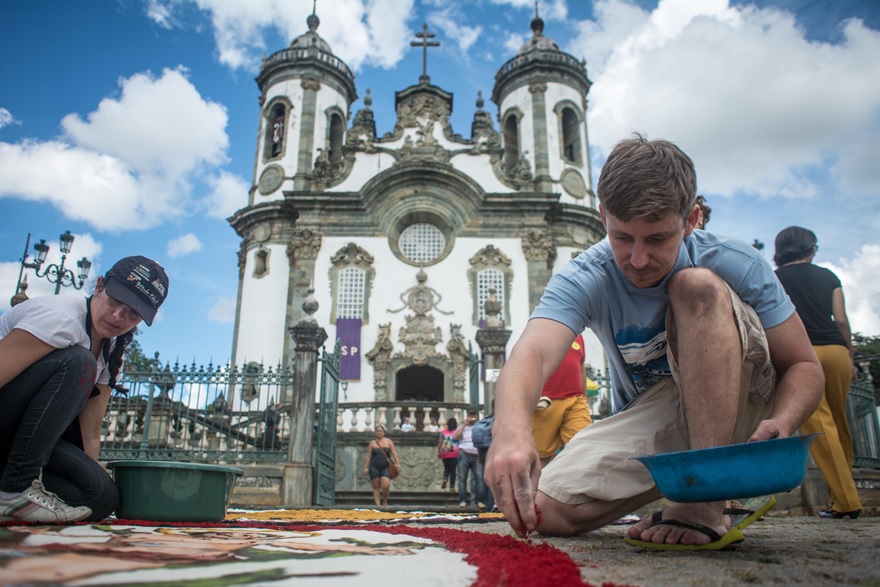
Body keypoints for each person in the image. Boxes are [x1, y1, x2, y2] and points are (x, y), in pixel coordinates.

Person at [484, 133, 823, 550]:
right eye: (622, 238)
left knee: (695, 286)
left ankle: (704, 499)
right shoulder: (585, 275)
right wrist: (510, 432)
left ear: (692, 219)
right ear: (602, 214)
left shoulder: (734, 260)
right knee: (545, 510)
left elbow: (804, 365)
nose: (638, 260)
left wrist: (784, 421)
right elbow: (532, 351)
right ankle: (693, 480)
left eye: (658, 239)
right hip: (666, 409)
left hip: (748, 399)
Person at [0, 256, 169, 523]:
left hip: (24, 441)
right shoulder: (61, 318)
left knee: (101, 497)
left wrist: (91, 473)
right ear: (99, 285)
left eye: (133, 313)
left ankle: (13, 486)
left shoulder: (112, 352)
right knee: (79, 362)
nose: (118, 317)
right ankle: (13, 491)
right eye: (115, 301)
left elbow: (89, 432)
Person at [774, 226, 862, 519]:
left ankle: (847, 502)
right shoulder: (828, 276)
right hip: (837, 352)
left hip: (802, 354)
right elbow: (841, 319)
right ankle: (841, 497)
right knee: (839, 422)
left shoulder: (775, 278)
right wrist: (850, 356)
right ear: (810, 248)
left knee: (819, 425)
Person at [531, 334, 593, 467]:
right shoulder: (542, 330)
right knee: (541, 457)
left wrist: (584, 397)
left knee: (584, 449)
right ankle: (535, 487)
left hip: (576, 400)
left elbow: (581, 368)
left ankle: (577, 487)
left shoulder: (579, 337)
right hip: (546, 400)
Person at [362, 425, 401, 507]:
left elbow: (394, 453)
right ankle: (378, 505)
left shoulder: (388, 441)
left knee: (385, 485)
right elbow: (368, 456)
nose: (379, 432)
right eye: (377, 431)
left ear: (384, 433)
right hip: (374, 466)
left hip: (385, 466)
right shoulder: (372, 443)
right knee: (376, 486)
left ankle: (385, 501)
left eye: (381, 431)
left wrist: (397, 463)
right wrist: (366, 467)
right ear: (375, 433)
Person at [454, 410, 486, 509]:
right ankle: (463, 500)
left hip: (476, 454)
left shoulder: (479, 426)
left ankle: (479, 500)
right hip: (464, 453)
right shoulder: (461, 426)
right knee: (462, 478)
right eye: (470, 415)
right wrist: (464, 425)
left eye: (474, 415)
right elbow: (456, 437)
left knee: (479, 478)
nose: (472, 417)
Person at [437, 417, 459, 491]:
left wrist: (438, 451)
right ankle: (452, 487)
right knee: (453, 470)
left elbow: (440, 442)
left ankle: (445, 478)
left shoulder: (443, 432)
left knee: (446, 468)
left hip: (444, 452)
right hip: (454, 452)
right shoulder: (457, 431)